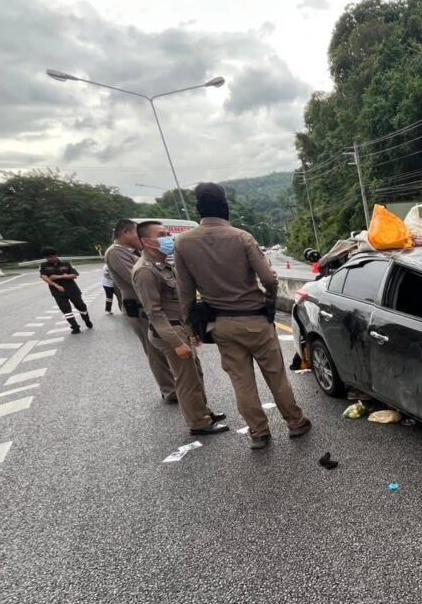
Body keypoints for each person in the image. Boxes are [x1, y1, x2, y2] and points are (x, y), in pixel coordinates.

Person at [176, 183, 311, 449]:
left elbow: (185, 292)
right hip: (255, 319)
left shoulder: (183, 243)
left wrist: (190, 327)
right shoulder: (242, 237)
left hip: (220, 324)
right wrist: (269, 300)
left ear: (198, 208)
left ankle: (259, 433)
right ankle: (295, 422)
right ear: (224, 206)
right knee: (276, 376)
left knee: (242, 382)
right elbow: (268, 279)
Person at [132, 221, 229, 437]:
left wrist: (190, 332)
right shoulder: (145, 271)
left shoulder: (163, 265)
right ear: (147, 241)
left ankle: (203, 412)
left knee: (195, 374)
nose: (168, 237)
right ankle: (198, 423)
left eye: (168, 233)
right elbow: (154, 312)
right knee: (186, 380)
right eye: (162, 234)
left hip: (180, 328)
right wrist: (177, 342)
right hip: (170, 333)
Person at [105, 219, 177, 404]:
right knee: (154, 350)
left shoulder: (131, 251)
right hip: (138, 308)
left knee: (163, 347)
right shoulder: (116, 253)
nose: (140, 238)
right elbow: (135, 278)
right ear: (125, 233)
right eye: (137, 234)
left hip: (146, 305)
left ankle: (174, 385)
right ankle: (169, 389)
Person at [39, 248, 93, 334]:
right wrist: (56, 285)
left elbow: (74, 275)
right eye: (47, 257)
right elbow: (44, 277)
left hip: (72, 289)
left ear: (56, 255)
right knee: (66, 310)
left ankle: (87, 320)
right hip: (57, 291)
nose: (49, 259)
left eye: (51, 257)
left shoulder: (66, 263)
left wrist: (59, 277)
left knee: (81, 306)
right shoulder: (44, 265)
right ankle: (75, 327)